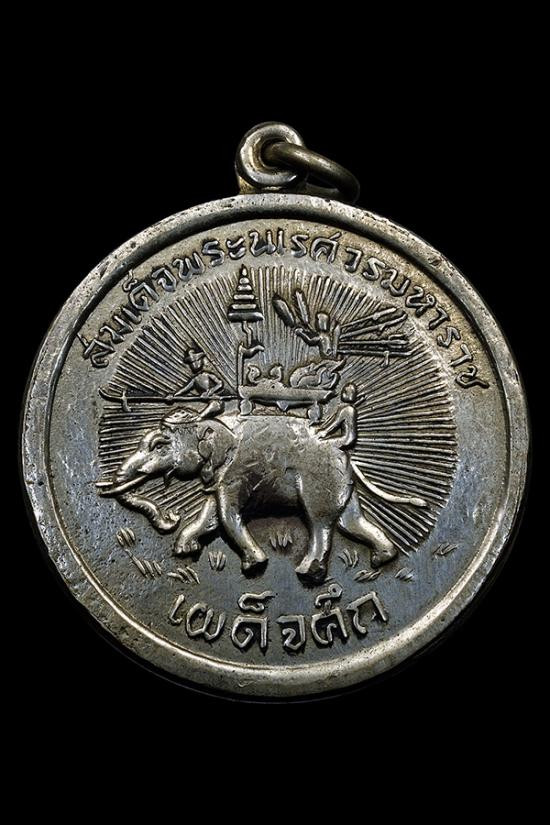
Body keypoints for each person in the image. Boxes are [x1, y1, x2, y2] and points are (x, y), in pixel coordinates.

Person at [314, 383, 358, 449]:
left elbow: (336, 423)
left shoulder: (347, 409)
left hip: (346, 438)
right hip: (347, 437)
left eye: (345, 392)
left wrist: (324, 432)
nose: (342, 393)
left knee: (319, 442)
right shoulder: (348, 408)